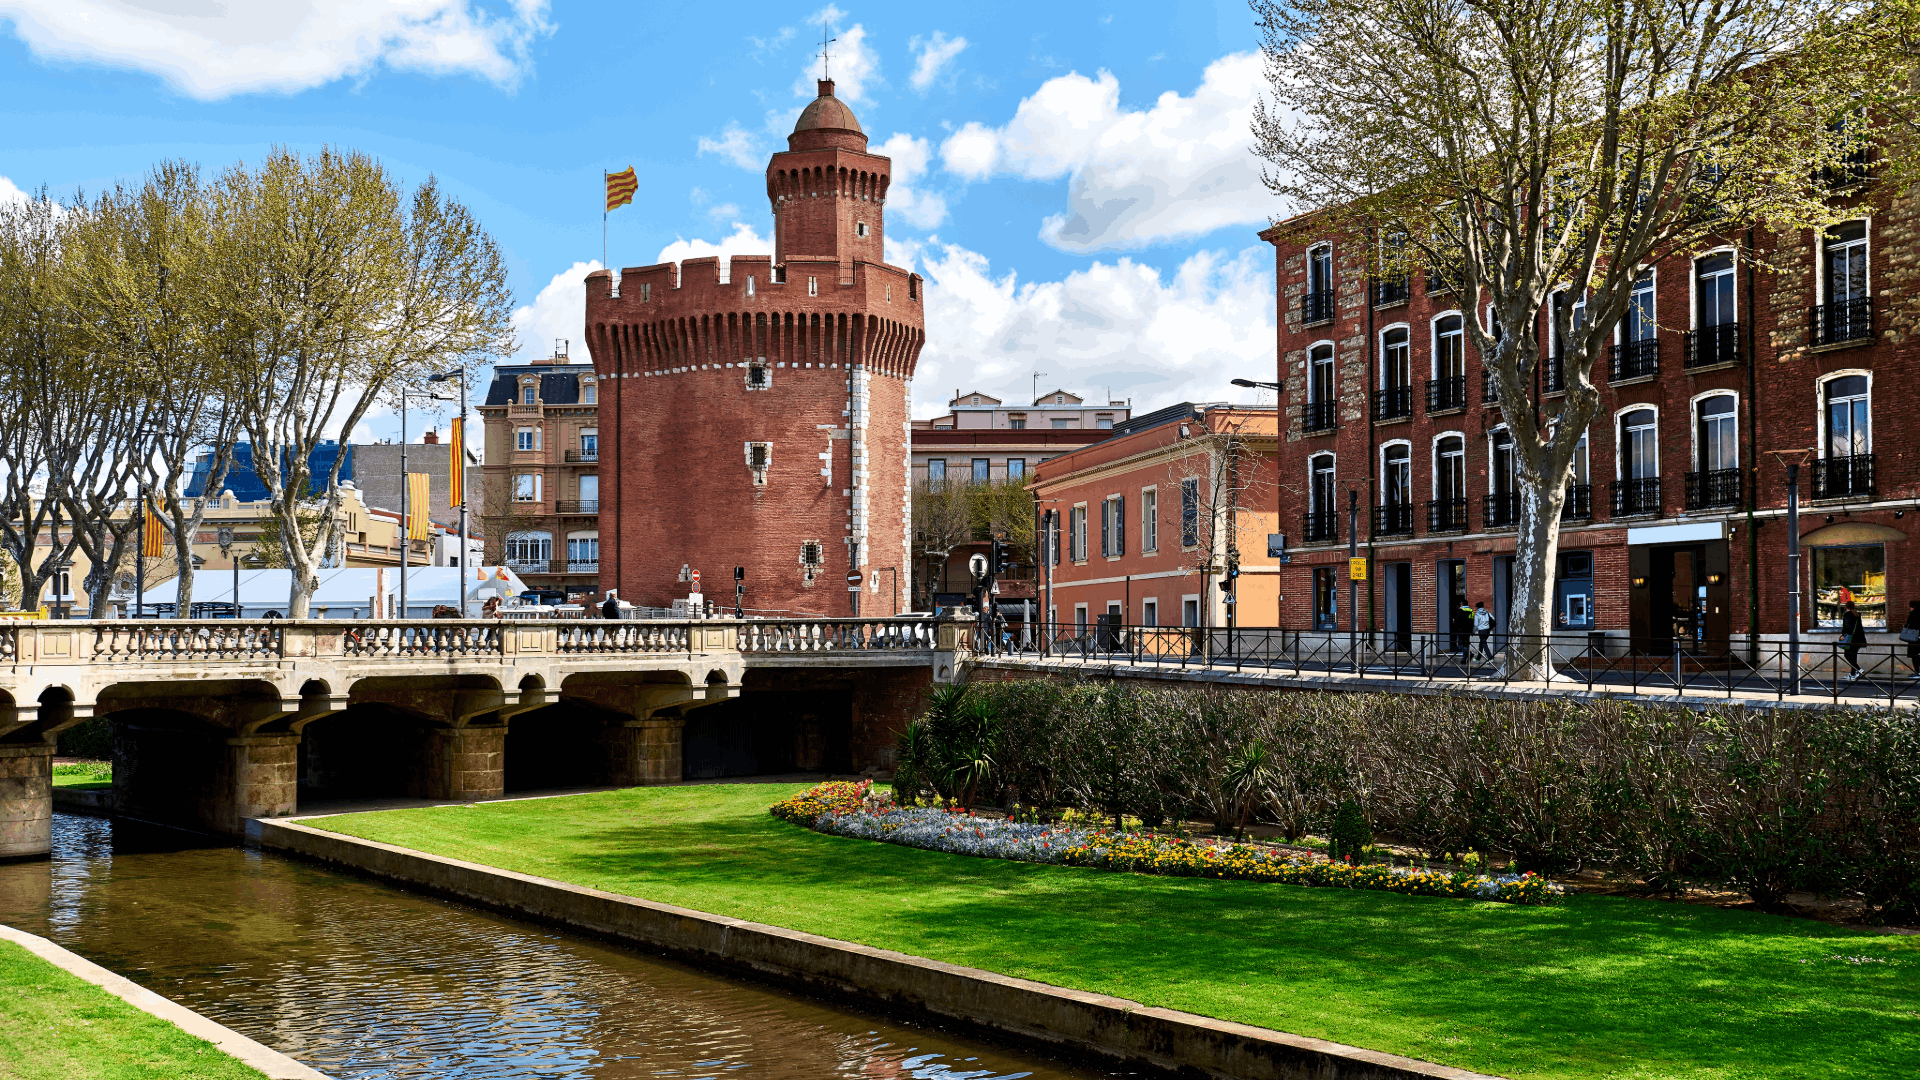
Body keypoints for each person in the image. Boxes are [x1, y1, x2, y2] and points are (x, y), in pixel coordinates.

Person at [1840, 599, 1866, 680]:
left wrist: (1843, 635)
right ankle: (1853, 674)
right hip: (1859, 639)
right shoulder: (1857, 615)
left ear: (1846, 607)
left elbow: (1847, 627)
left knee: (1847, 655)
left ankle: (1859, 669)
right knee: (1853, 656)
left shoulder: (1847, 615)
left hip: (1851, 639)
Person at [1903, 600, 1920, 677]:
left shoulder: (1913, 614)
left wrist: (1905, 627)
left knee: (1914, 655)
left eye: (1910, 606)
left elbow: (1910, 624)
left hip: (1914, 637)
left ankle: (1917, 672)